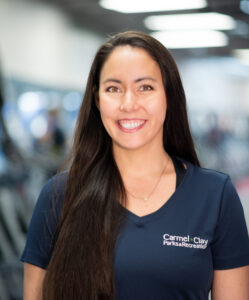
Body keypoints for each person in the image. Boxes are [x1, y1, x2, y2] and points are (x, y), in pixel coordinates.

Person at [20, 31, 249, 300]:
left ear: (169, 96)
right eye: (113, 89)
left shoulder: (215, 195)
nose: (129, 104)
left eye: (145, 87)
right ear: (97, 99)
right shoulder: (58, 196)